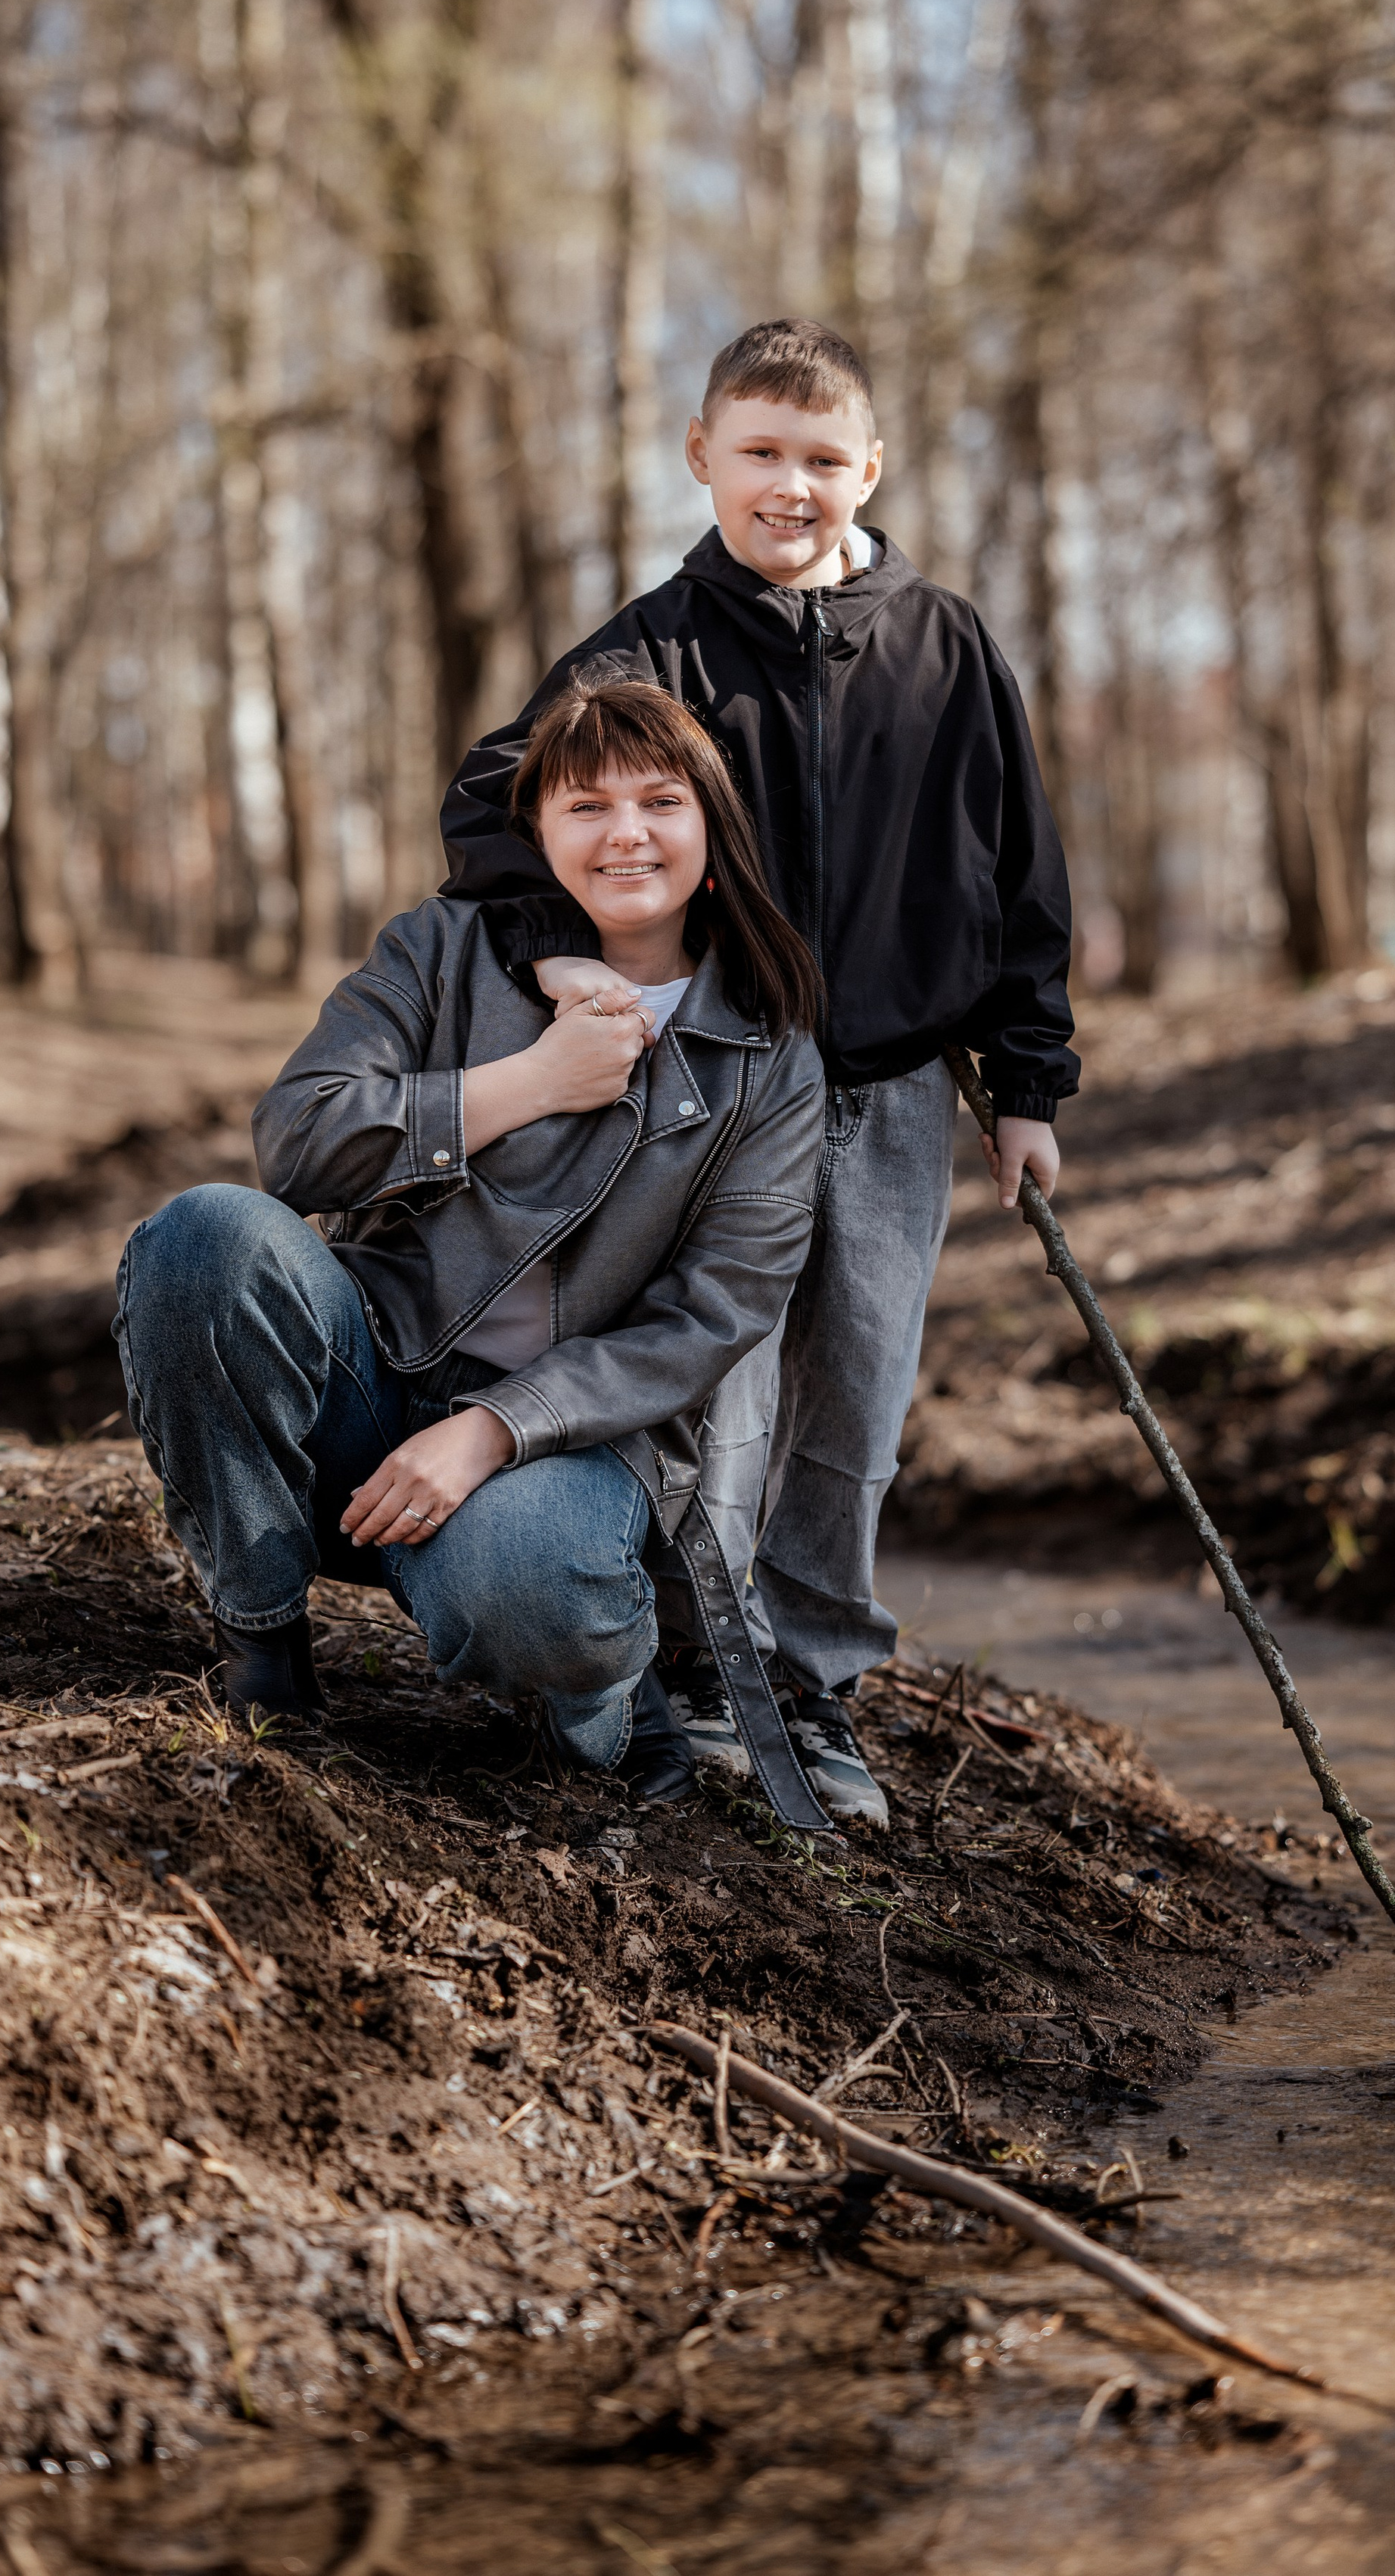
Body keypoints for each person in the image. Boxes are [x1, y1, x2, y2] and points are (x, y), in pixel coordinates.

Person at [441, 317, 1078, 1827]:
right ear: (700, 461)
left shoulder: (946, 646)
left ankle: (812, 1669)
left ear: (868, 466)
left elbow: (1020, 868)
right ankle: (692, 1657)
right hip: (715, 1087)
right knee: (712, 1376)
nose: (787, 487)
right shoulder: (643, 650)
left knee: (854, 1379)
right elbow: (490, 812)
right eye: (756, 455)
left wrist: (1027, 1076)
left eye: (816, 459)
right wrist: (560, 956)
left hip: (893, 1090)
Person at [114, 680, 836, 1828]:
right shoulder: (445, 949)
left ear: (713, 827)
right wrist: (526, 1084)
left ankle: (590, 1694)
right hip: (369, 1378)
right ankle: (258, 1635)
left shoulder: (774, 1051)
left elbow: (713, 1317)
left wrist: (500, 1424)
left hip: (564, 1451)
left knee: (532, 1584)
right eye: (587, 806)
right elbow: (296, 1140)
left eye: (661, 801)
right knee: (204, 1237)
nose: (628, 834)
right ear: (538, 829)